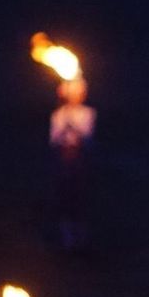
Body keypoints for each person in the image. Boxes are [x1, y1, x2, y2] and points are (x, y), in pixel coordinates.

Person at [48, 78, 96, 252]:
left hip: (81, 160)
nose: (76, 95)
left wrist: (72, 125)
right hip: (63, 160)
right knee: (64, 197)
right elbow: (54, 141)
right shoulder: (57, 114)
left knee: (81, 198)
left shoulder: (88, 113)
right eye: (73, 92)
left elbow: (87, 139)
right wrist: (63, 126)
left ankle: (83, 239)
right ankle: (66, 239)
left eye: (79, 92)